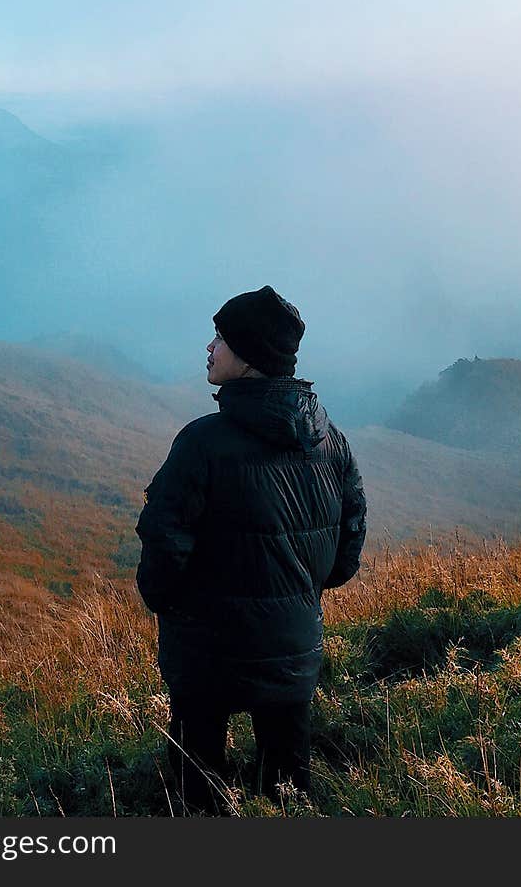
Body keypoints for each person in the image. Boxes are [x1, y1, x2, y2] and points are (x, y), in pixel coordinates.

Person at [135, 285, 366, 813]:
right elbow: (349, 547)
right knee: (287, 797)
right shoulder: (330, 441)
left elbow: (163, 544)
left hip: (206, 654)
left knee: (199, 797)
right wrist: (294, 594)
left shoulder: (201, 443)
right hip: (293, 651)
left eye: (220, 338)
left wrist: (166, 603)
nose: (209, 348)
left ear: (248, 358)